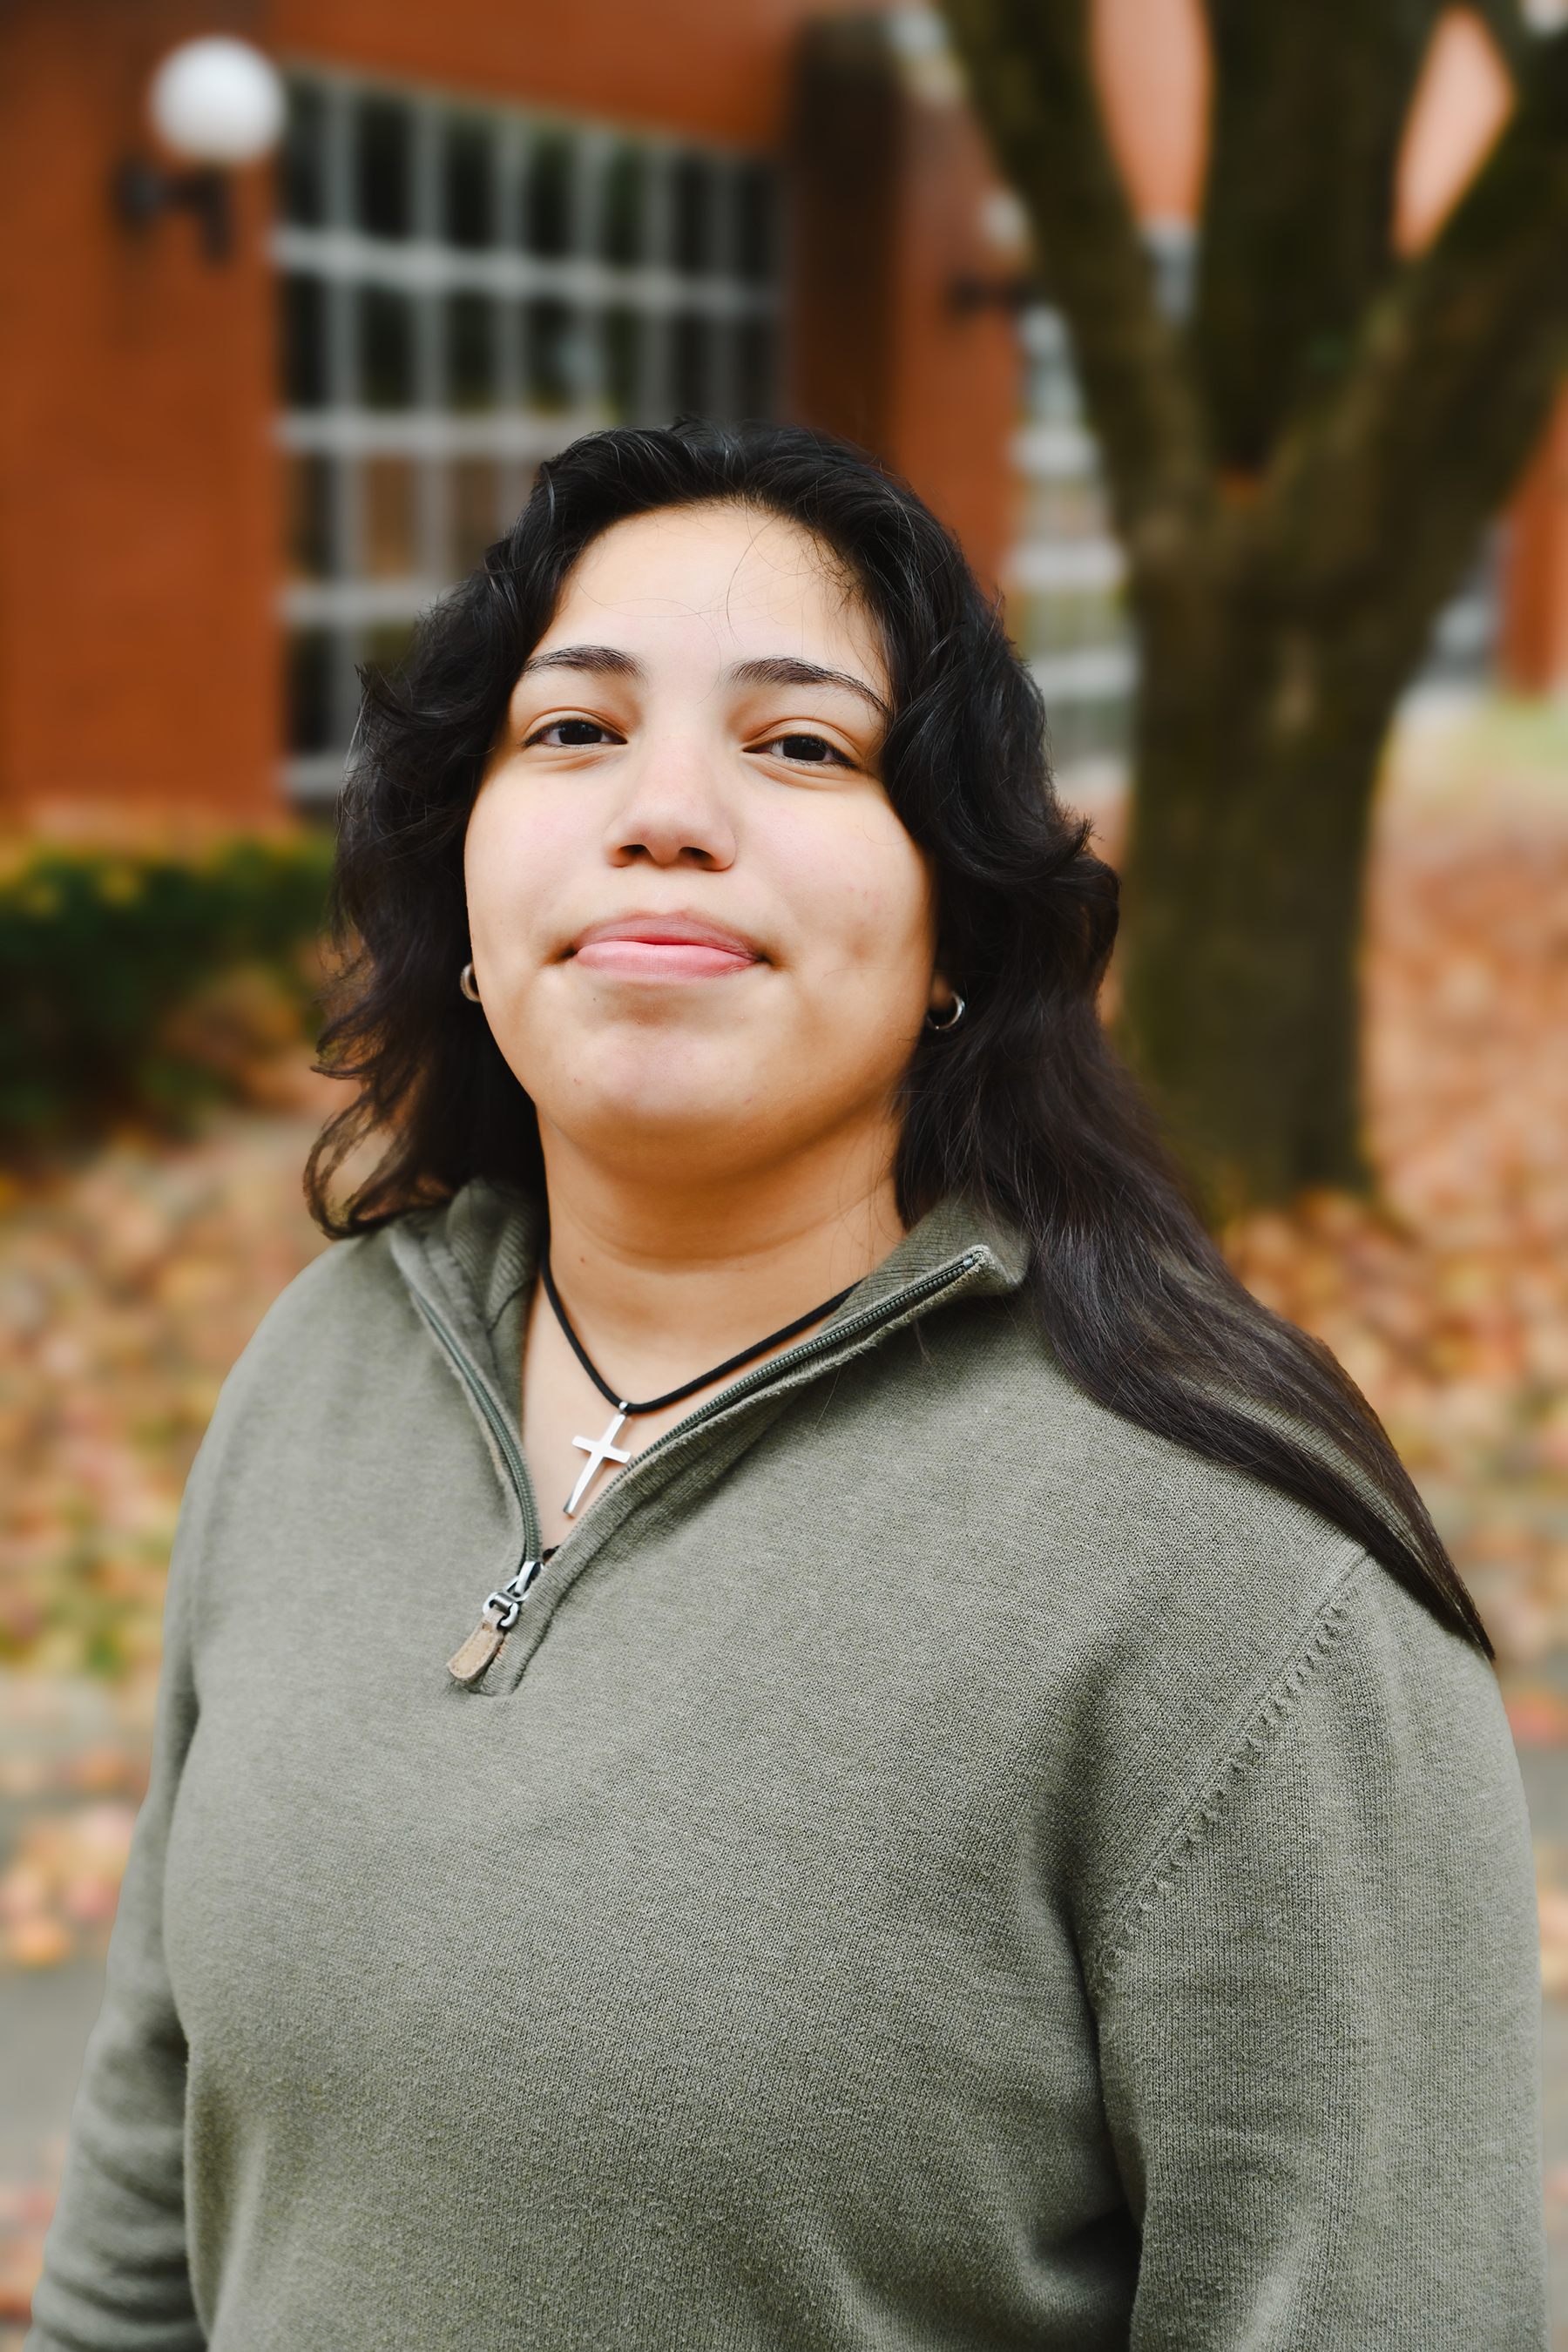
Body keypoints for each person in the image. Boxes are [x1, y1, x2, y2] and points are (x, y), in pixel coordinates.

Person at [30, 422, 1544, 2351]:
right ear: (463, 882)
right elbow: (143, 2206)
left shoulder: (1238, 1588)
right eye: (573, 729)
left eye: (803, 745)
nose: (665, 810)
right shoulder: (322, 1378)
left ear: (955, 924)